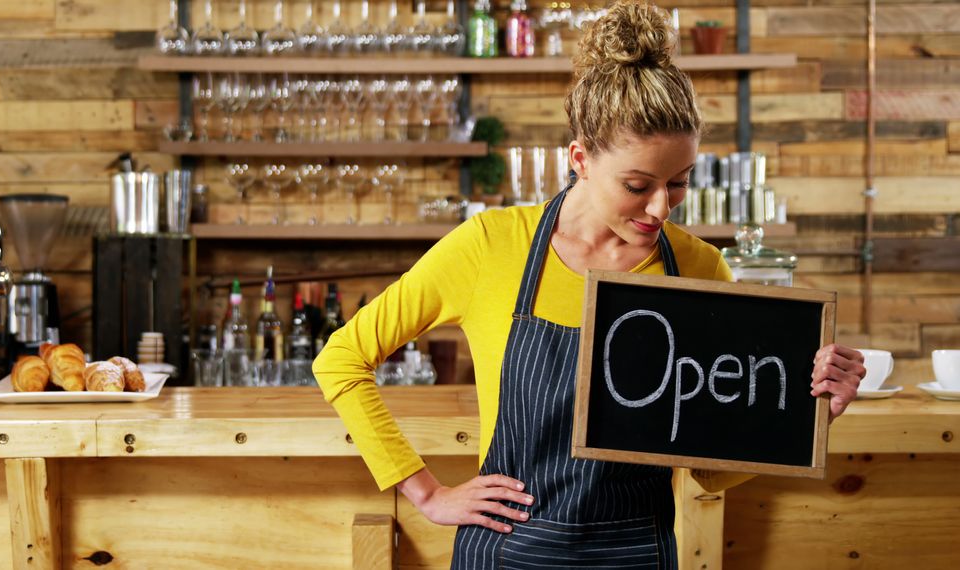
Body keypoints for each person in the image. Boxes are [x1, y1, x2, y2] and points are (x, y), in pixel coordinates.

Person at [313, 1, 865, 567]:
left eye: (678, 184)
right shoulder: (490, 246)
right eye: (636, 184)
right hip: (507, 552)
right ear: (580, 158)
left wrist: (805, 410)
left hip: (636, 554)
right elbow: (342, 358)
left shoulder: (699, 270)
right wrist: (425, 492)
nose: (659, 208)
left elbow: (709, 470)